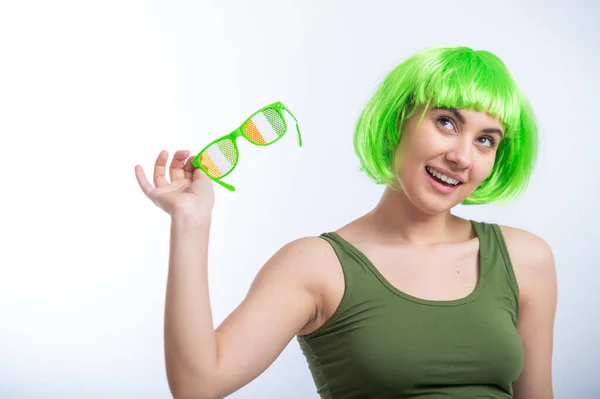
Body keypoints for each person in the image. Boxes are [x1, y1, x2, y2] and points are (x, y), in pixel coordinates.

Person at [134, 46, 557, 399]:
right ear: (396, 123)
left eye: (486, 140)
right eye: (446, 122)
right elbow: (197, 384)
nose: (462, 157)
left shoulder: (524, 259)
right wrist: (190, 223)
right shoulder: (316, 266)